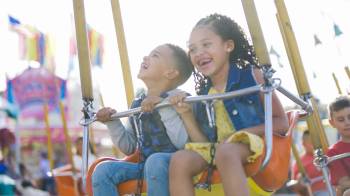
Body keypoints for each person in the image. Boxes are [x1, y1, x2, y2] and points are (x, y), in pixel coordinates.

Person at [169, 13, 289, 196]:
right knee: (180, 160)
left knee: (226, 151)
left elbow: (281, 123)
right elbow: (204, 143)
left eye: (206, 44)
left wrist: (240, 134)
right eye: (192, 49)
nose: (198, 53)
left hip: (253, 148)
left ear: (228, 46)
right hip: (218, 149)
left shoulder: (252, 77)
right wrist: (185, 114)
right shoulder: (203, 96)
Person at [92, 43, 206, 196]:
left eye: (155, 55)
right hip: (145, 166)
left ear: (170, 73)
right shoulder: (138, 103)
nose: (146, 57)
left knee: (156, 161)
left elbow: (182, 143)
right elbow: (129, 147)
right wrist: (113, 123)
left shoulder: (180, 99)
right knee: (103, 170)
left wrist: (164, 108)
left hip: (176, 164)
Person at [291, 130, 328, 196]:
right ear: (303, 144)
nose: (315, 144)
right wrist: (300, 181)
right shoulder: (299, 163)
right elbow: (296, 186)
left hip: (331, 188)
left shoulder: (326, 155)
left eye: (316, 142)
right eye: (311, 142)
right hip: (314, 192)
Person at [326, 96, 350, 196]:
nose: (347, 123)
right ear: (332, 123)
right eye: (341, 120)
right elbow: (344, 183)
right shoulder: (334, 152)